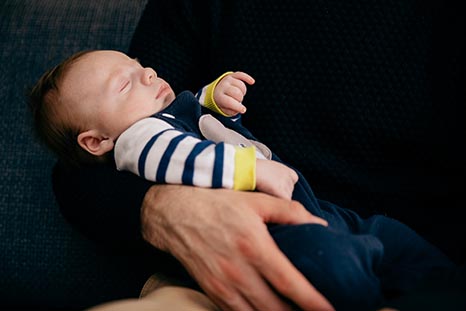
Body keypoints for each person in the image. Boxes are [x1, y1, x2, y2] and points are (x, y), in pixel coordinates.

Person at [30, 49, 455, 311]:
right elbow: (184, 157)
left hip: (320, 209)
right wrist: (249, 169)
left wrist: (214, 96)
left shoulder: (161, 116)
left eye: (140, 65)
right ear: (96, 141)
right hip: (266, 231)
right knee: (329, 262)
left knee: (391, 239)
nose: (148, 73)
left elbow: (198, 114)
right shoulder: (136, 140)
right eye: (125, 82)